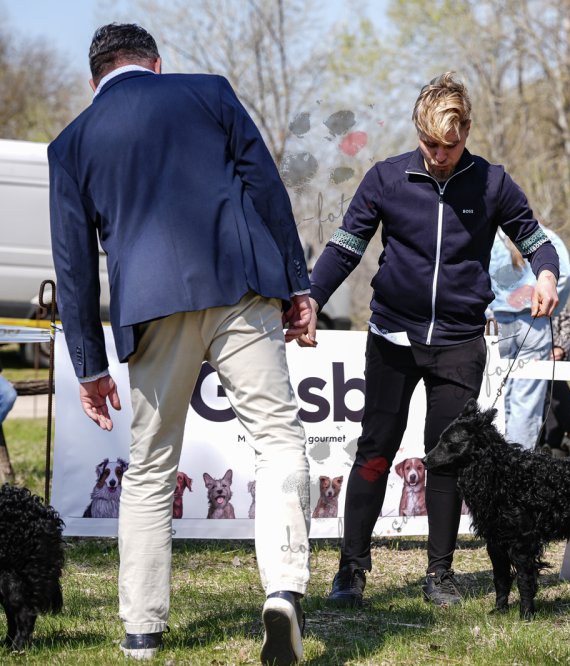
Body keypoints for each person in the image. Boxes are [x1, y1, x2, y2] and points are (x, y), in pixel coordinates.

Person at [48, 24, 312, 665]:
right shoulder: (211, 92)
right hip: (238, 285)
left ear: (94, 80)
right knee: (277, 438)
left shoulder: (71, 143)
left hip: (149, 307)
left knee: (149, 467)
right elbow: (266, 188)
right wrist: (297, 284)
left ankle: (141, 630)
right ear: (156, 65)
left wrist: (88, 365)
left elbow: (74, 267)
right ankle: (283, 589)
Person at [302, 72, 559, 608]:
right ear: (417, 133)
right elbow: (346, 246)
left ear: (467, 133)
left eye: (450, 146)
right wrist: (311, 299)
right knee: (375, 450)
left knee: (446, 458)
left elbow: (537, 241)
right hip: (392, 337)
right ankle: (351, 569)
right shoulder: (386, 178)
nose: (440, 156)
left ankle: (439, 573)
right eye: (429, 144)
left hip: (460, 342)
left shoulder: (492, 183)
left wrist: (546, 275)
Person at [488, 226, 570, 449]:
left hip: (496, 324)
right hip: (534, 323)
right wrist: (551, 308)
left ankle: (495, 456)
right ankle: (518, 459)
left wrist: (487, 311)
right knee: (526, 401)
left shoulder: (489, 234)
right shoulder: (543, 235)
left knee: (494, 396)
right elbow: (566, 275)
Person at [541, 306, 570, 456]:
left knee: (553, 382)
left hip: (557, 361)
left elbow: (569, 329)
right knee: (551, 385)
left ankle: (556, 445)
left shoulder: (556, 299)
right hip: (528, 360)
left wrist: (560, 349)